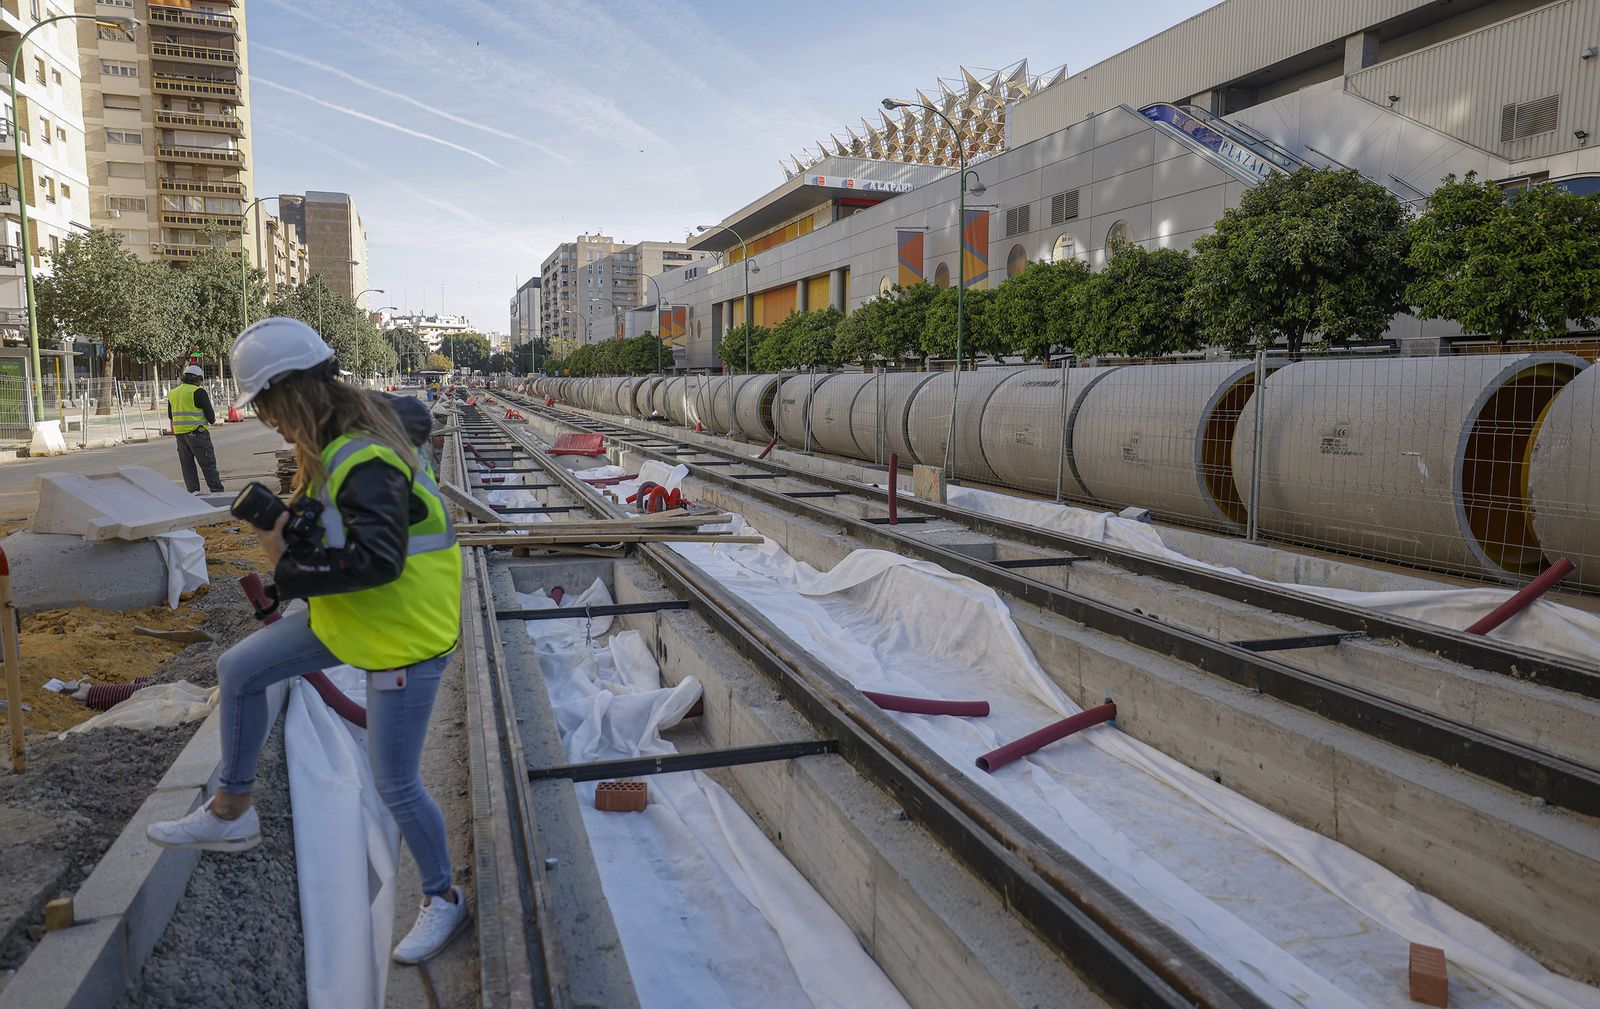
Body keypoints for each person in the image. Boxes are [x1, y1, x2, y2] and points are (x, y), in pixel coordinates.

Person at [147, 317, 470, 965]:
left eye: (267, 407)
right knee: (240, 668)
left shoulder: (364, 454)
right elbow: (349, 533)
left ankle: (443, 897)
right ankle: (232, 809)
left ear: (290, 392)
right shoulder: (344, 439)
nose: (269, 421)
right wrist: (300, 530)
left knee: (396, 780)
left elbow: (377, 558)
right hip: (356, 618)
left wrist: (286, 564)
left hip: (406, 632)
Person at [168, 364, 224, 494]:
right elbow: (211, 417)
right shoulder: (198, 392)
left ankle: (193, 492)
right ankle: (217, 491)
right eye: (201, 381)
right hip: (197, 434)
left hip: (180, 436)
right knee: (208, 464)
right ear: (198, 379)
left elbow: (171, 415)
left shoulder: (173, 393)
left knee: (187, 466)